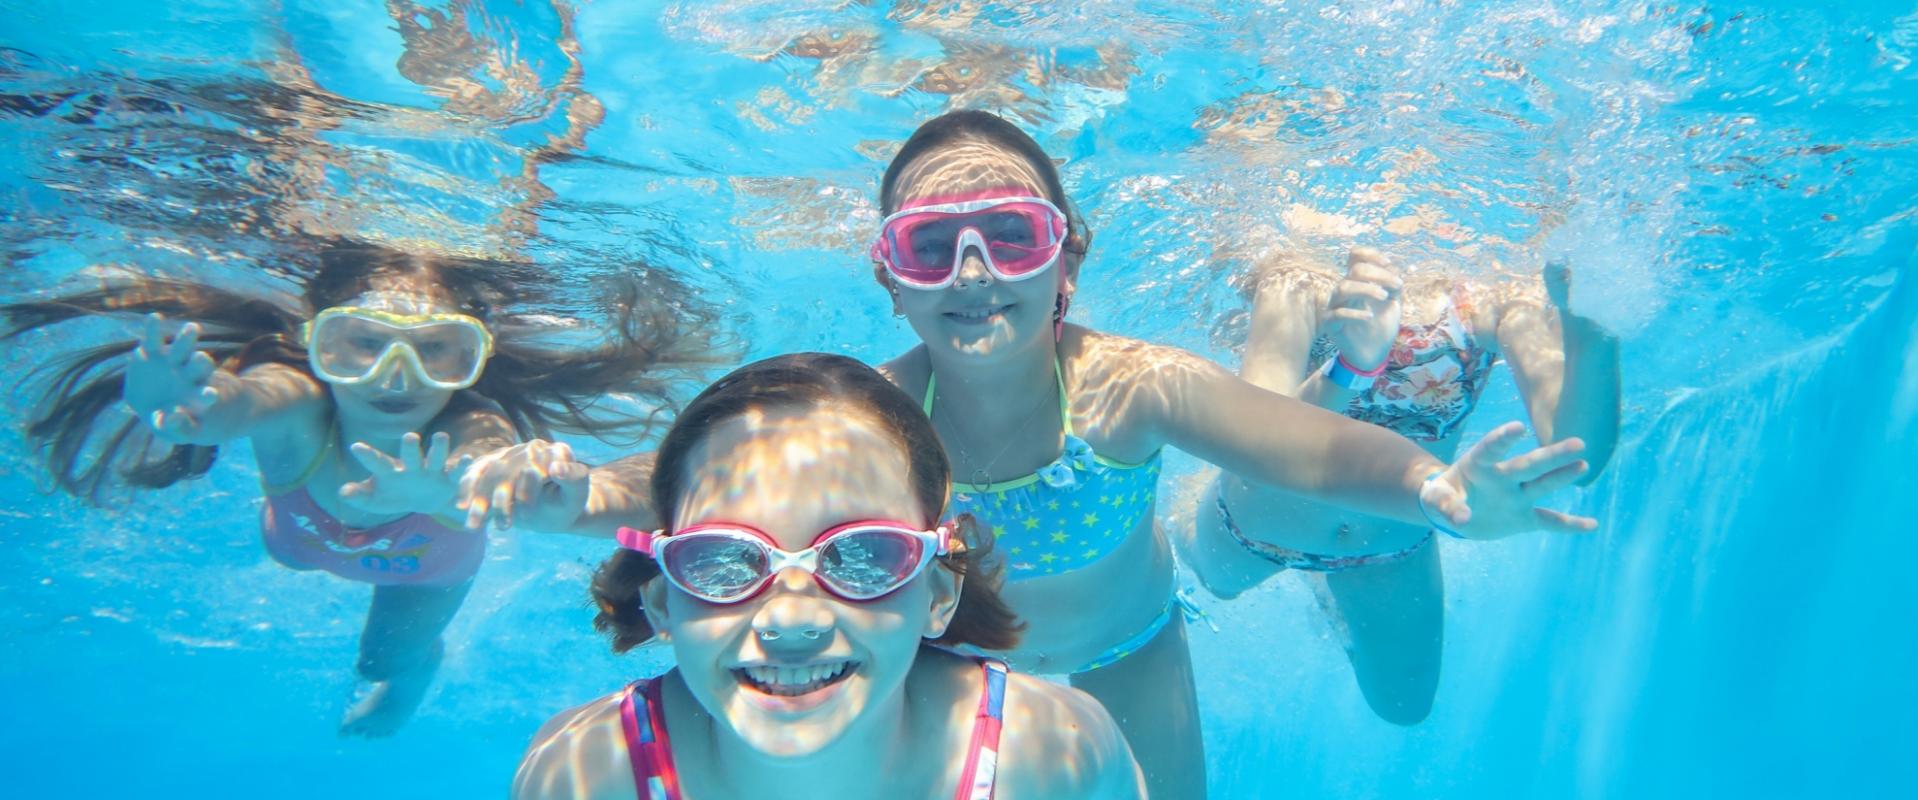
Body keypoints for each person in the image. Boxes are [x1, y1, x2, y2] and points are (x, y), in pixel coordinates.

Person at [481, 110, 1597, 797]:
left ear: (1066, 260)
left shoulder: (1128, 387)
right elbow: (731, 484)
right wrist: (579, 494)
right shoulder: (882, 411)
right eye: (933, 246)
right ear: (893, 278)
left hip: (1129, 641)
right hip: (944, 663)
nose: (972, 270)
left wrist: (1433, 487)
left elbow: (1302, 446)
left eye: (1008, 235)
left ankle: (1291, 469)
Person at [2, 237, 711, 736]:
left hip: (424, 575)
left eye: (438, 350)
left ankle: (409, 682)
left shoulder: (471, 422)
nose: (396, 376)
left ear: (474, 359)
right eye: (361, 345)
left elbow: (486, 462)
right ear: (316, 344)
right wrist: (197, 407)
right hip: (302, 543)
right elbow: (242, 401)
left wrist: (483, 485)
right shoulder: (298, 400)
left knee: (383, 658)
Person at [513, 353, 1144, 799]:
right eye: (723, 561)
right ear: (661, 604)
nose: (791, 620)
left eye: (863, 555)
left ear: (938, 593)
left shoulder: (1051, 757)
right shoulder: (588, 776)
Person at [1176, 250, 1622, 724]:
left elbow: (1579, 459)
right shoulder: (1298, 279)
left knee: (1403, 706)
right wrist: (1352, 366)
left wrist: (1591, 332)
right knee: (1215, 584)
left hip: (1390, 547)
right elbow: (1250, 446)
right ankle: (1190, 496)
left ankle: (1329, 588)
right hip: (1255, 527)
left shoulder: (1497, 298)